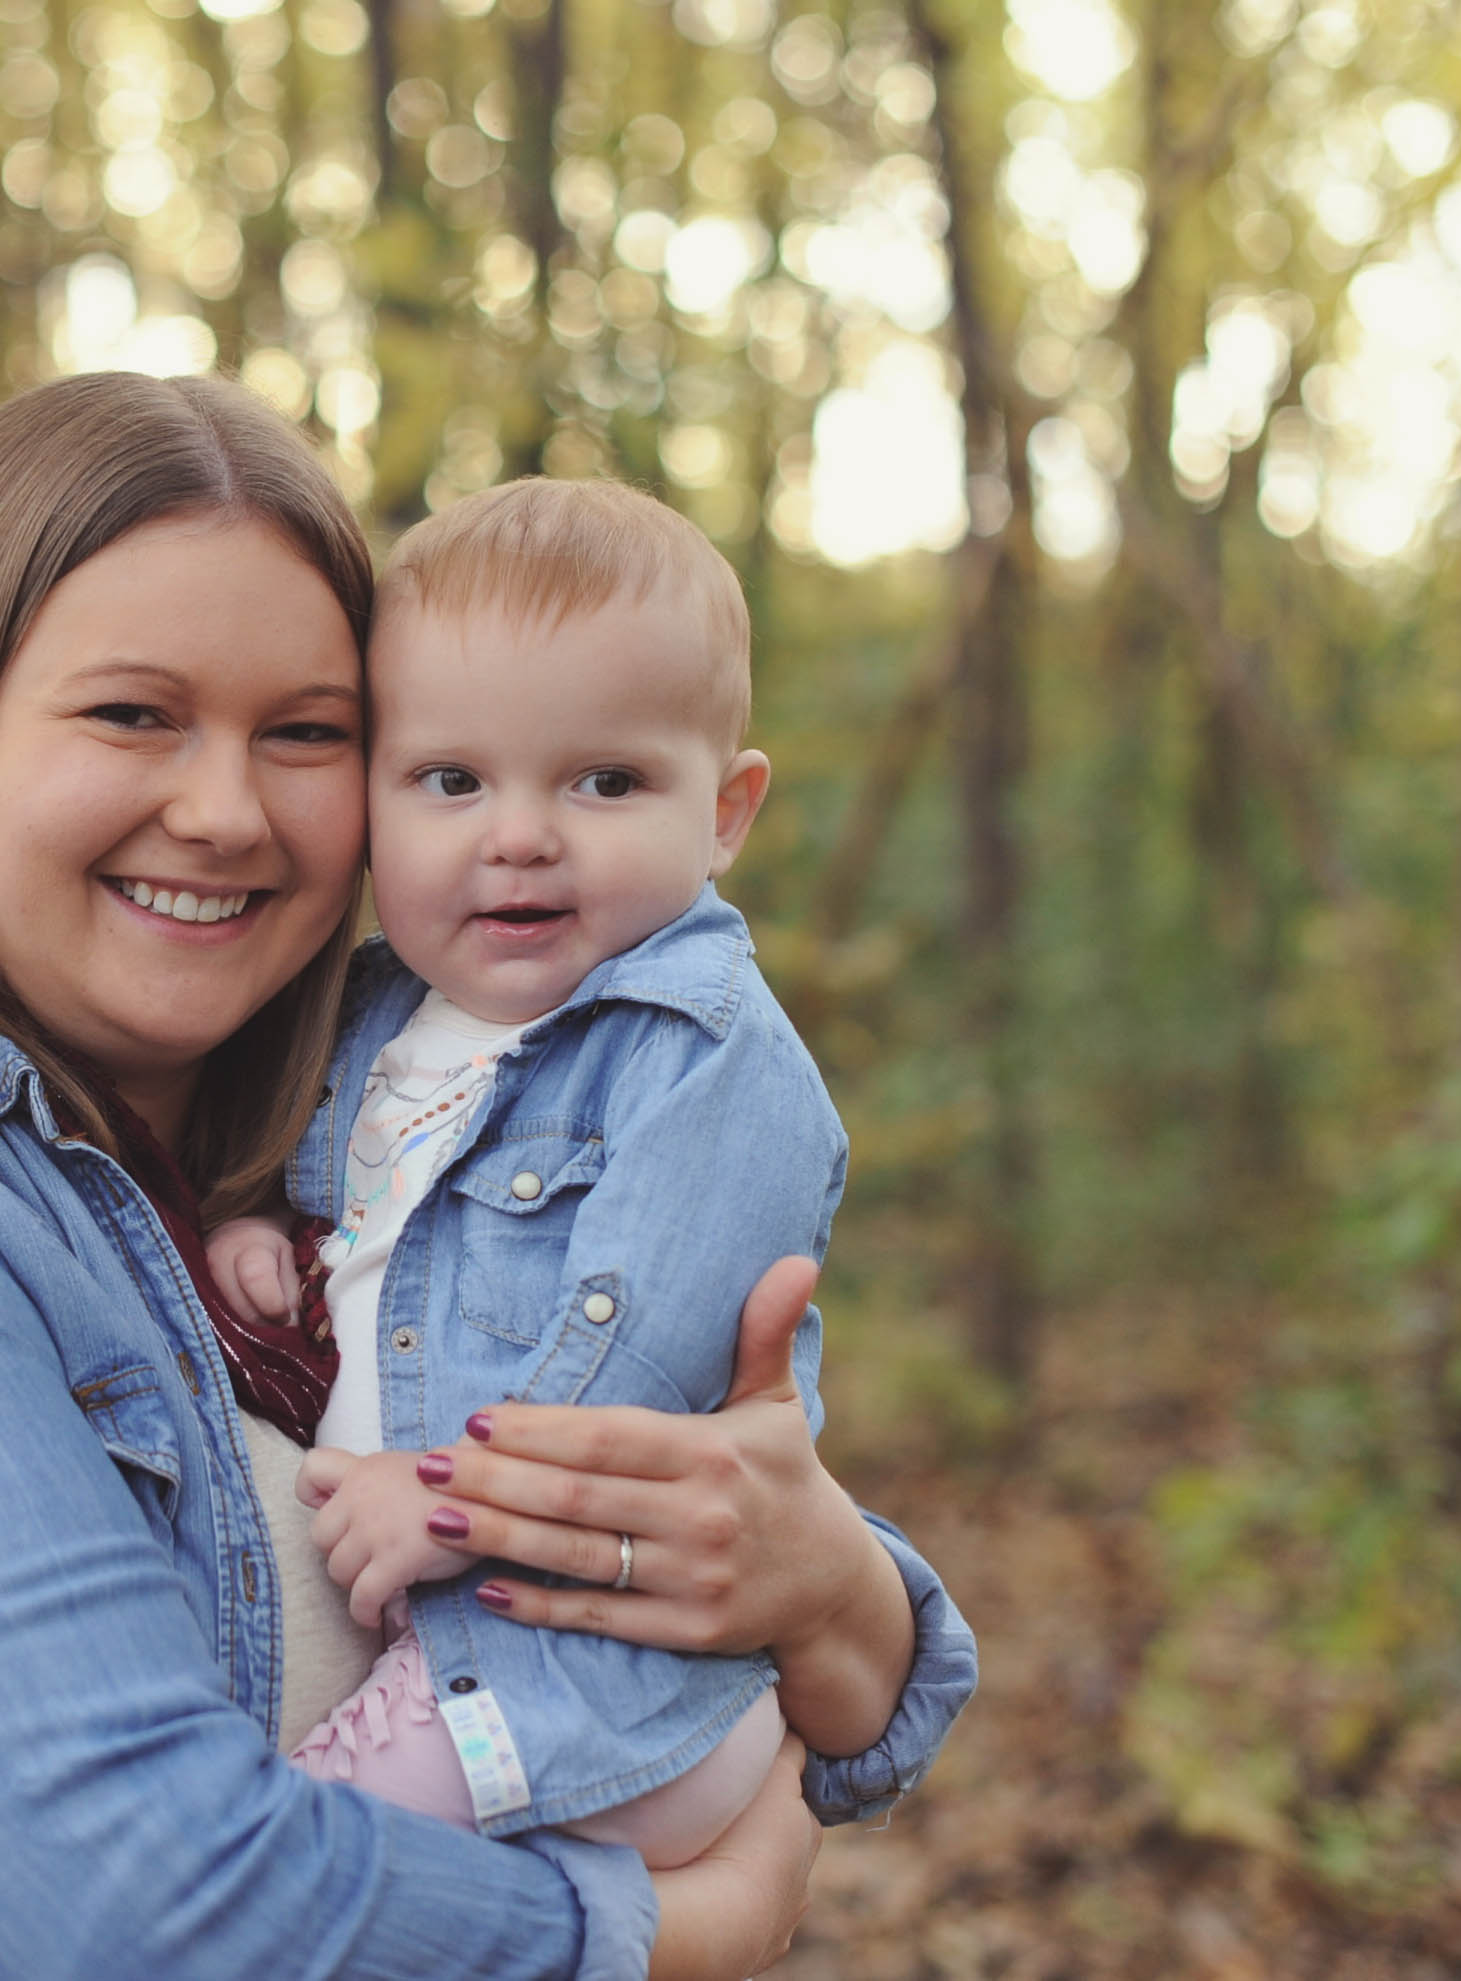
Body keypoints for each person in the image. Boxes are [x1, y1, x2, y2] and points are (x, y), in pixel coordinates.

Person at [0, 373, 975, 1980]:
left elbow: (824, 1690)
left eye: (303, 732)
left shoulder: (336, 1179)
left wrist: (838, 1590)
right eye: (132, 714)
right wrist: (661, 1937)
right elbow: (129, 1902)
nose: (221, 811)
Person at [204, 476, 925, 1874]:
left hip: (559, 1665)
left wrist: (448, 1493)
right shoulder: (375, 1012)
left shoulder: (699, 1054)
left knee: (272, 1875)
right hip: (432, 1618)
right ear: (370, 802)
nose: (520, 832)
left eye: (604, 781)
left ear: (723, 811)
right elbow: (363, 1224)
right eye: (451, 780)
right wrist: (261, 1237)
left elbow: (638, 1347)